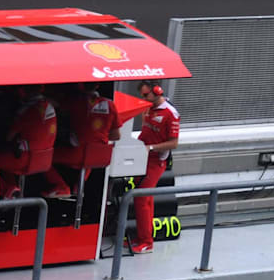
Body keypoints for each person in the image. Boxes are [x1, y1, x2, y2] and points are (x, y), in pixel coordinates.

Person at [44, 82, 119, 198]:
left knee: (43, 157)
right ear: (97, 86)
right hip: (101, 156)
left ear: (80, 86)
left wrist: (41, 97)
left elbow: (55, 105)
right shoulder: (110, 104)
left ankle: (61, 186)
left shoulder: (75, 102)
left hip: (78, 154)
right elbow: (116, 136)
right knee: (92, 149)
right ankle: (78, 186)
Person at [130, 81, 179, 255]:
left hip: (156, 160)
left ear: (157, 91)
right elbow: (146, 132)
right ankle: (143, 238)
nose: (143, 99)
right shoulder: (148, 109)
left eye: (145, 95)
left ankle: (146, 242)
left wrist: (150, 148)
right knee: (145, 199)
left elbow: (174, 143)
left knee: (141, 198)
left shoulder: (170, 113)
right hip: (142, 157)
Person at [0, 86, 58, 198]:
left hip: (25, 159)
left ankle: (9, 189)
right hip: (45, 158)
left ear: (22, 91)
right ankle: (12, 189)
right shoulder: (50, 106)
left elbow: (9, 137)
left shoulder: (26, 110)